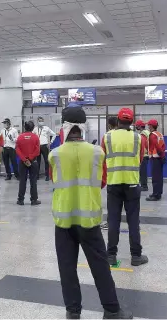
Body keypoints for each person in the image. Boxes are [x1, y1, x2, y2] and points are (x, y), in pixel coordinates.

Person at [49, 107, 131, 320]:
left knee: (67, 268)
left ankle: (73, 311)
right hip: (89, 220)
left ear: (64, 127)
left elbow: (54, 180)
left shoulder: (54, 155)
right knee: (100, 265)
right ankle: (112, 310)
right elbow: (102, 182)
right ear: (83, 127)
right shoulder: (97, 153)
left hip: (64, 221)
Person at [103, 109, 149, 268]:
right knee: (133, 221)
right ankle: (136, 256)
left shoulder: (107, 137)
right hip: (132, 184)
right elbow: (141, 159)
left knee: (113, 220)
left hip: (113, 184)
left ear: (118, 121)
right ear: (132, 122)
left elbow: (103, 158)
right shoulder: (138, 138)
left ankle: (110, 255)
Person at [15, 121, 41, 206]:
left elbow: (17, 149)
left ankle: (20, 200)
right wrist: (30, 158)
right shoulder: (35, 137)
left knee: (22, 180)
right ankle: (34, 200)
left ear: (25, 127)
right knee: (33, 181)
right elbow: (37, 150)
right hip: (33, 161)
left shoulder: (20, 137)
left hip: (22, 162)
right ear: (33, 128)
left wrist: (24, 159)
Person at [146, 119, 165, 201]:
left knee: (155, 177)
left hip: (155, 158)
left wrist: (160, 155)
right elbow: (163, 146)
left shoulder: (152, 135)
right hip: (160, 158)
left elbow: (156, 146)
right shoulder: (159, 134)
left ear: (151, 126)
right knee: (159, 177)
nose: (147, 127)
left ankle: (156, 195)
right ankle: (158, 193)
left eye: (148, 125)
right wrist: (163, 156)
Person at [36, 117, 56, 181]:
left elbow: (54, 134)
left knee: (46, 161)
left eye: (42, 121)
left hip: (45, 146)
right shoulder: (35, 129)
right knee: (37, 162)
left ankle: (47, 175)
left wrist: (51, 142)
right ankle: (37, 176)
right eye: (39, 121)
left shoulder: (46, 128)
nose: (40, 122)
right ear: (37, 121)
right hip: (38, 147)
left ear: (43, 121)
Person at [134, 120, 150, 192]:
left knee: (142, 172)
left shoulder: (143, 134)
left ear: (140, 126)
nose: (136, 127)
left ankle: (144, 186)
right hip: (146, 154)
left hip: (144, 155)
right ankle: (143, 185)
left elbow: (143, 145)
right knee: (142, 171)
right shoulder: (147, 132)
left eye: (136, 126)